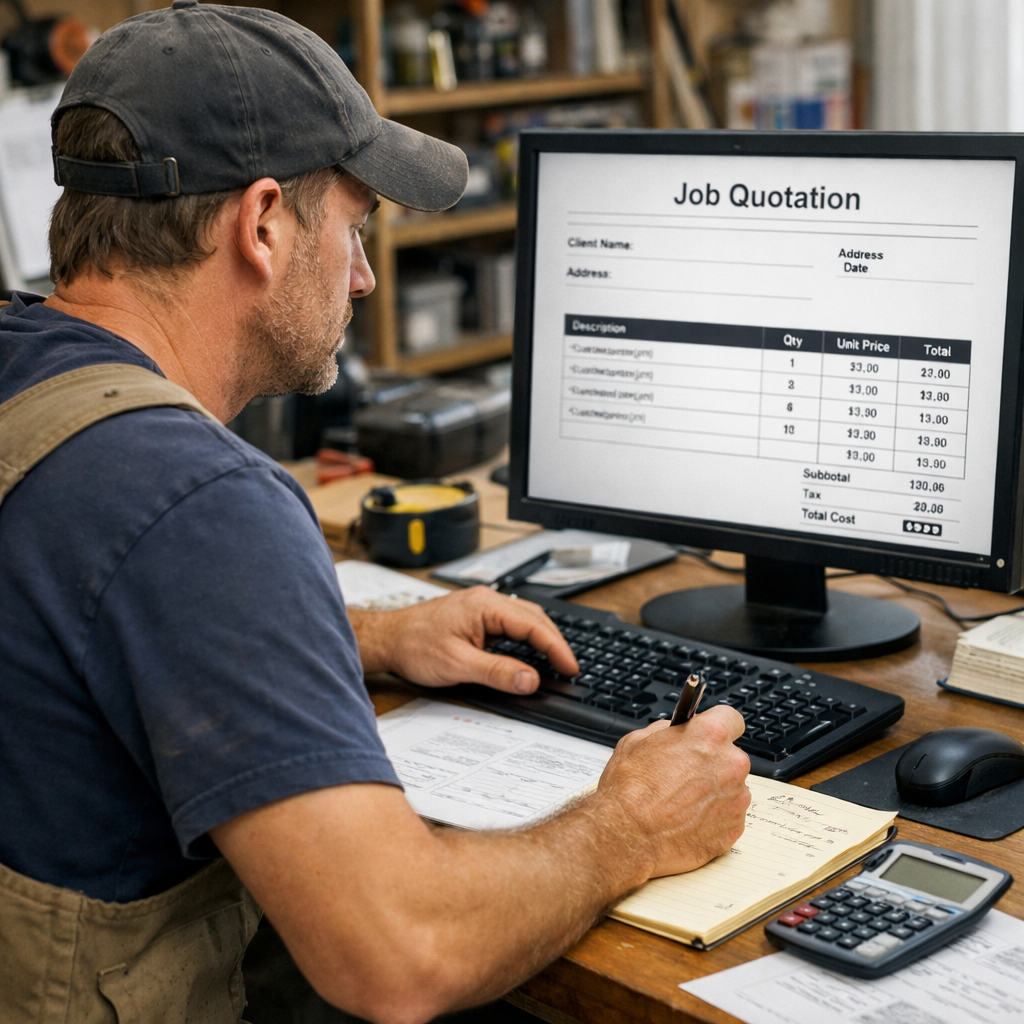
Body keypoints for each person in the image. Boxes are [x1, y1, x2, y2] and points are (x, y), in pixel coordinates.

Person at [0, 4, 750, 1023]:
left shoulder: (33, 389)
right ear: (262, 224)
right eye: (352, 226)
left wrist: (367, 637)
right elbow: (401, 954)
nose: (360, 277)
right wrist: (632, 824)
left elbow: (78, 612)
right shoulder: (198, 503)